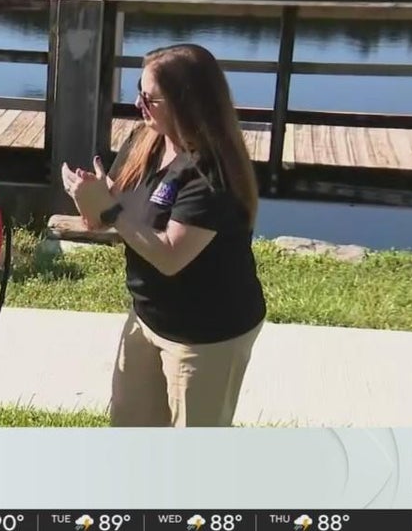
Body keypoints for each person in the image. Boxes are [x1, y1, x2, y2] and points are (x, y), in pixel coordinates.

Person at [60, 43, 266, 428]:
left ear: (185, 103)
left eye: (149, 98)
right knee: (130, 431)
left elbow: (170, 255)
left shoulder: (210, 173)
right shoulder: (146, 139)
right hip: (149, 315)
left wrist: (108, 208)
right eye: (138, 92)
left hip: (205, 335)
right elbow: (107, 220)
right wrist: (90, 199)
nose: (139, 104)